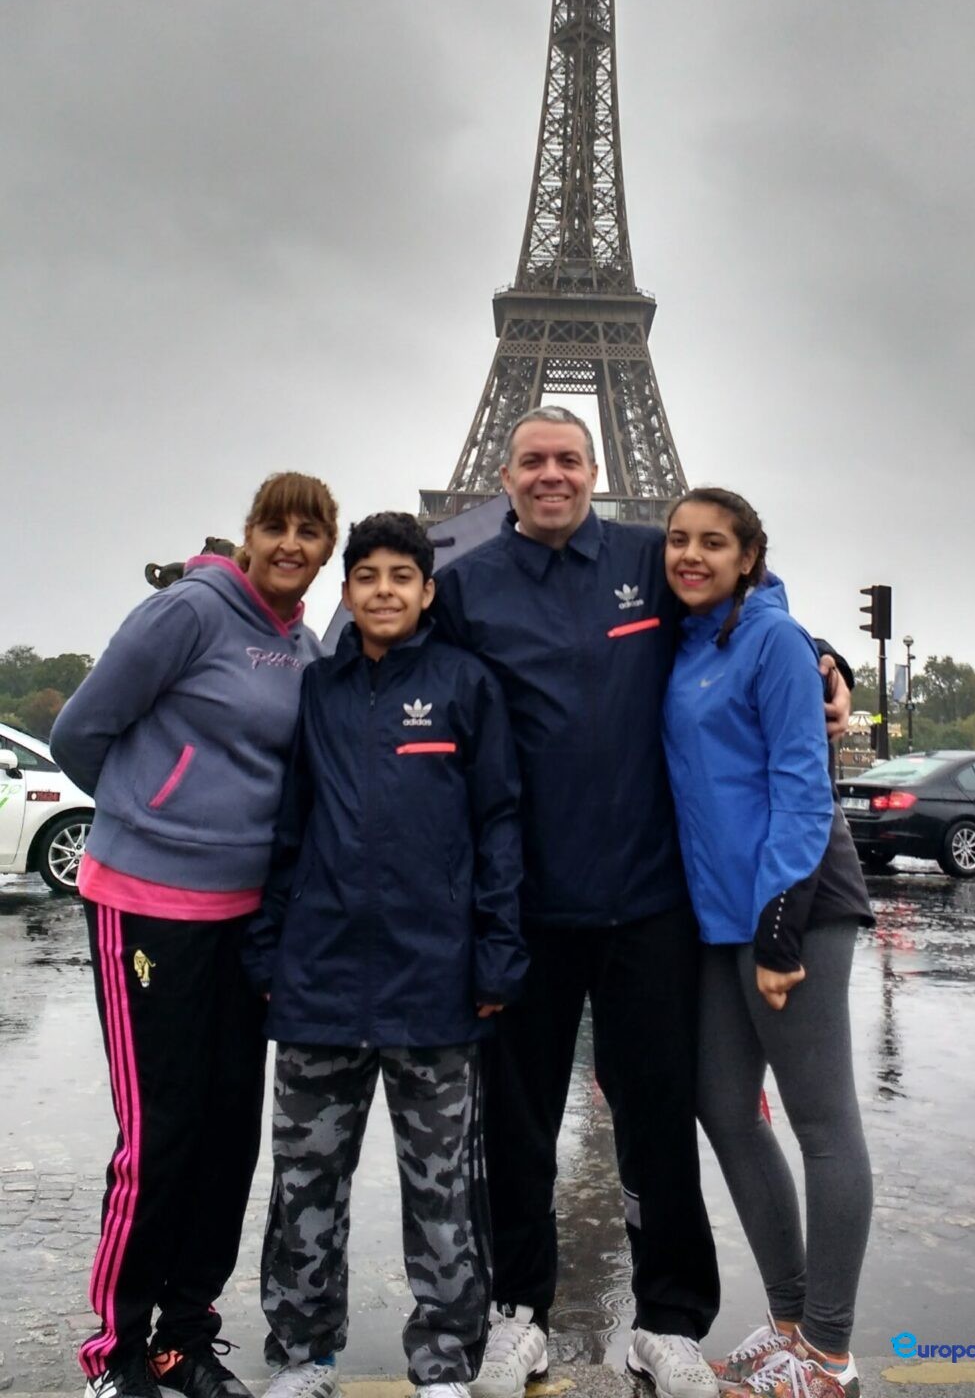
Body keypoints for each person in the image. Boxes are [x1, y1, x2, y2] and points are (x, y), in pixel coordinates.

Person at [434, 409, 852, 1398]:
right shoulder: (463, 588)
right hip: (530, 901)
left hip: (648, 902)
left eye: (568, 460)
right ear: (506, 472)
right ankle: (516, 1308)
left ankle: (669, 1318)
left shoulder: (647, 558)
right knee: (517, 1121)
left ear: (594, 469)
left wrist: (818, 648)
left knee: (658, 1119)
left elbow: (740, 601)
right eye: (532, 461)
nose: (551, 475)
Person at [51, 473, 339, 1398]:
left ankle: (183, 1336)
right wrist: (153, 817)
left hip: (245, 918)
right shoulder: (188, 612)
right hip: (148, 904)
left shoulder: (306, 645)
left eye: (309, 531)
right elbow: (78, 732)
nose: (291, 543)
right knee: (159, 1132)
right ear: (249, 535)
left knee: (228, 1134)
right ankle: (116, 1353)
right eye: (275, 526)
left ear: (328, 549)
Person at [243, 512, 527, 1398]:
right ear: (347, 591)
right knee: (304, 1187)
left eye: (401, 577)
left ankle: (443, 1361)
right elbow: (289, 830)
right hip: (321, 974)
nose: (384, 592)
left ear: (428, 590)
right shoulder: (317, 693)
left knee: (441, 1192)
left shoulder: (465, 685)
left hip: (433, 979)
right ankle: (303, 1354)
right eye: (367, 577)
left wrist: (496, 952)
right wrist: (267, 951)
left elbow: (500, 826)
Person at [661, 489, 873, 1398]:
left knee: (822, 1122)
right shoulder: (689, 639)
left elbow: (802, 783)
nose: (691, 555)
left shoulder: (776, 642)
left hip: (794, 907)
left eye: (715, 543)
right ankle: (789, 1320)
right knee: (723, 1106)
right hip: (719, 915)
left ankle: (829, 1352)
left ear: (751, 557)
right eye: (678, 540)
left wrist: (779, 924)